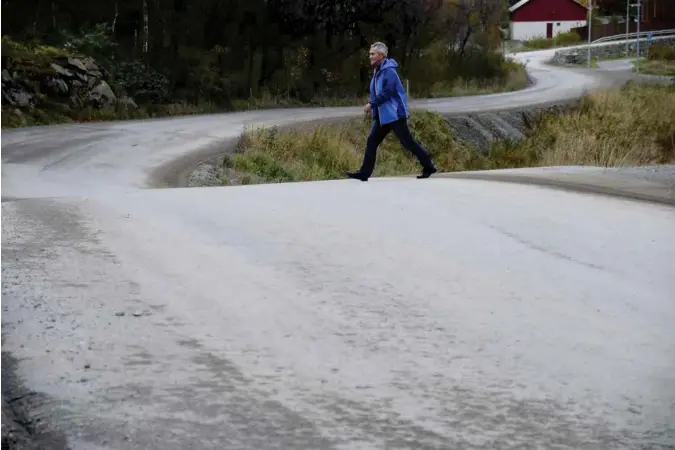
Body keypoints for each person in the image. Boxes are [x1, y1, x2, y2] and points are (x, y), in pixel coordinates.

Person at [346, 42, 437, 182]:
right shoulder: (378, 71)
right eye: (370, 53)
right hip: (384, 117)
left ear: (381, 55)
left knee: (407, 142)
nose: (370, 56)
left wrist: (372, 104)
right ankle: (364, 173)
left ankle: (429, 166)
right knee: (372, 141)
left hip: (394, 115)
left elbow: (387, 92)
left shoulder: (389, 71)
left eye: (373, 54)